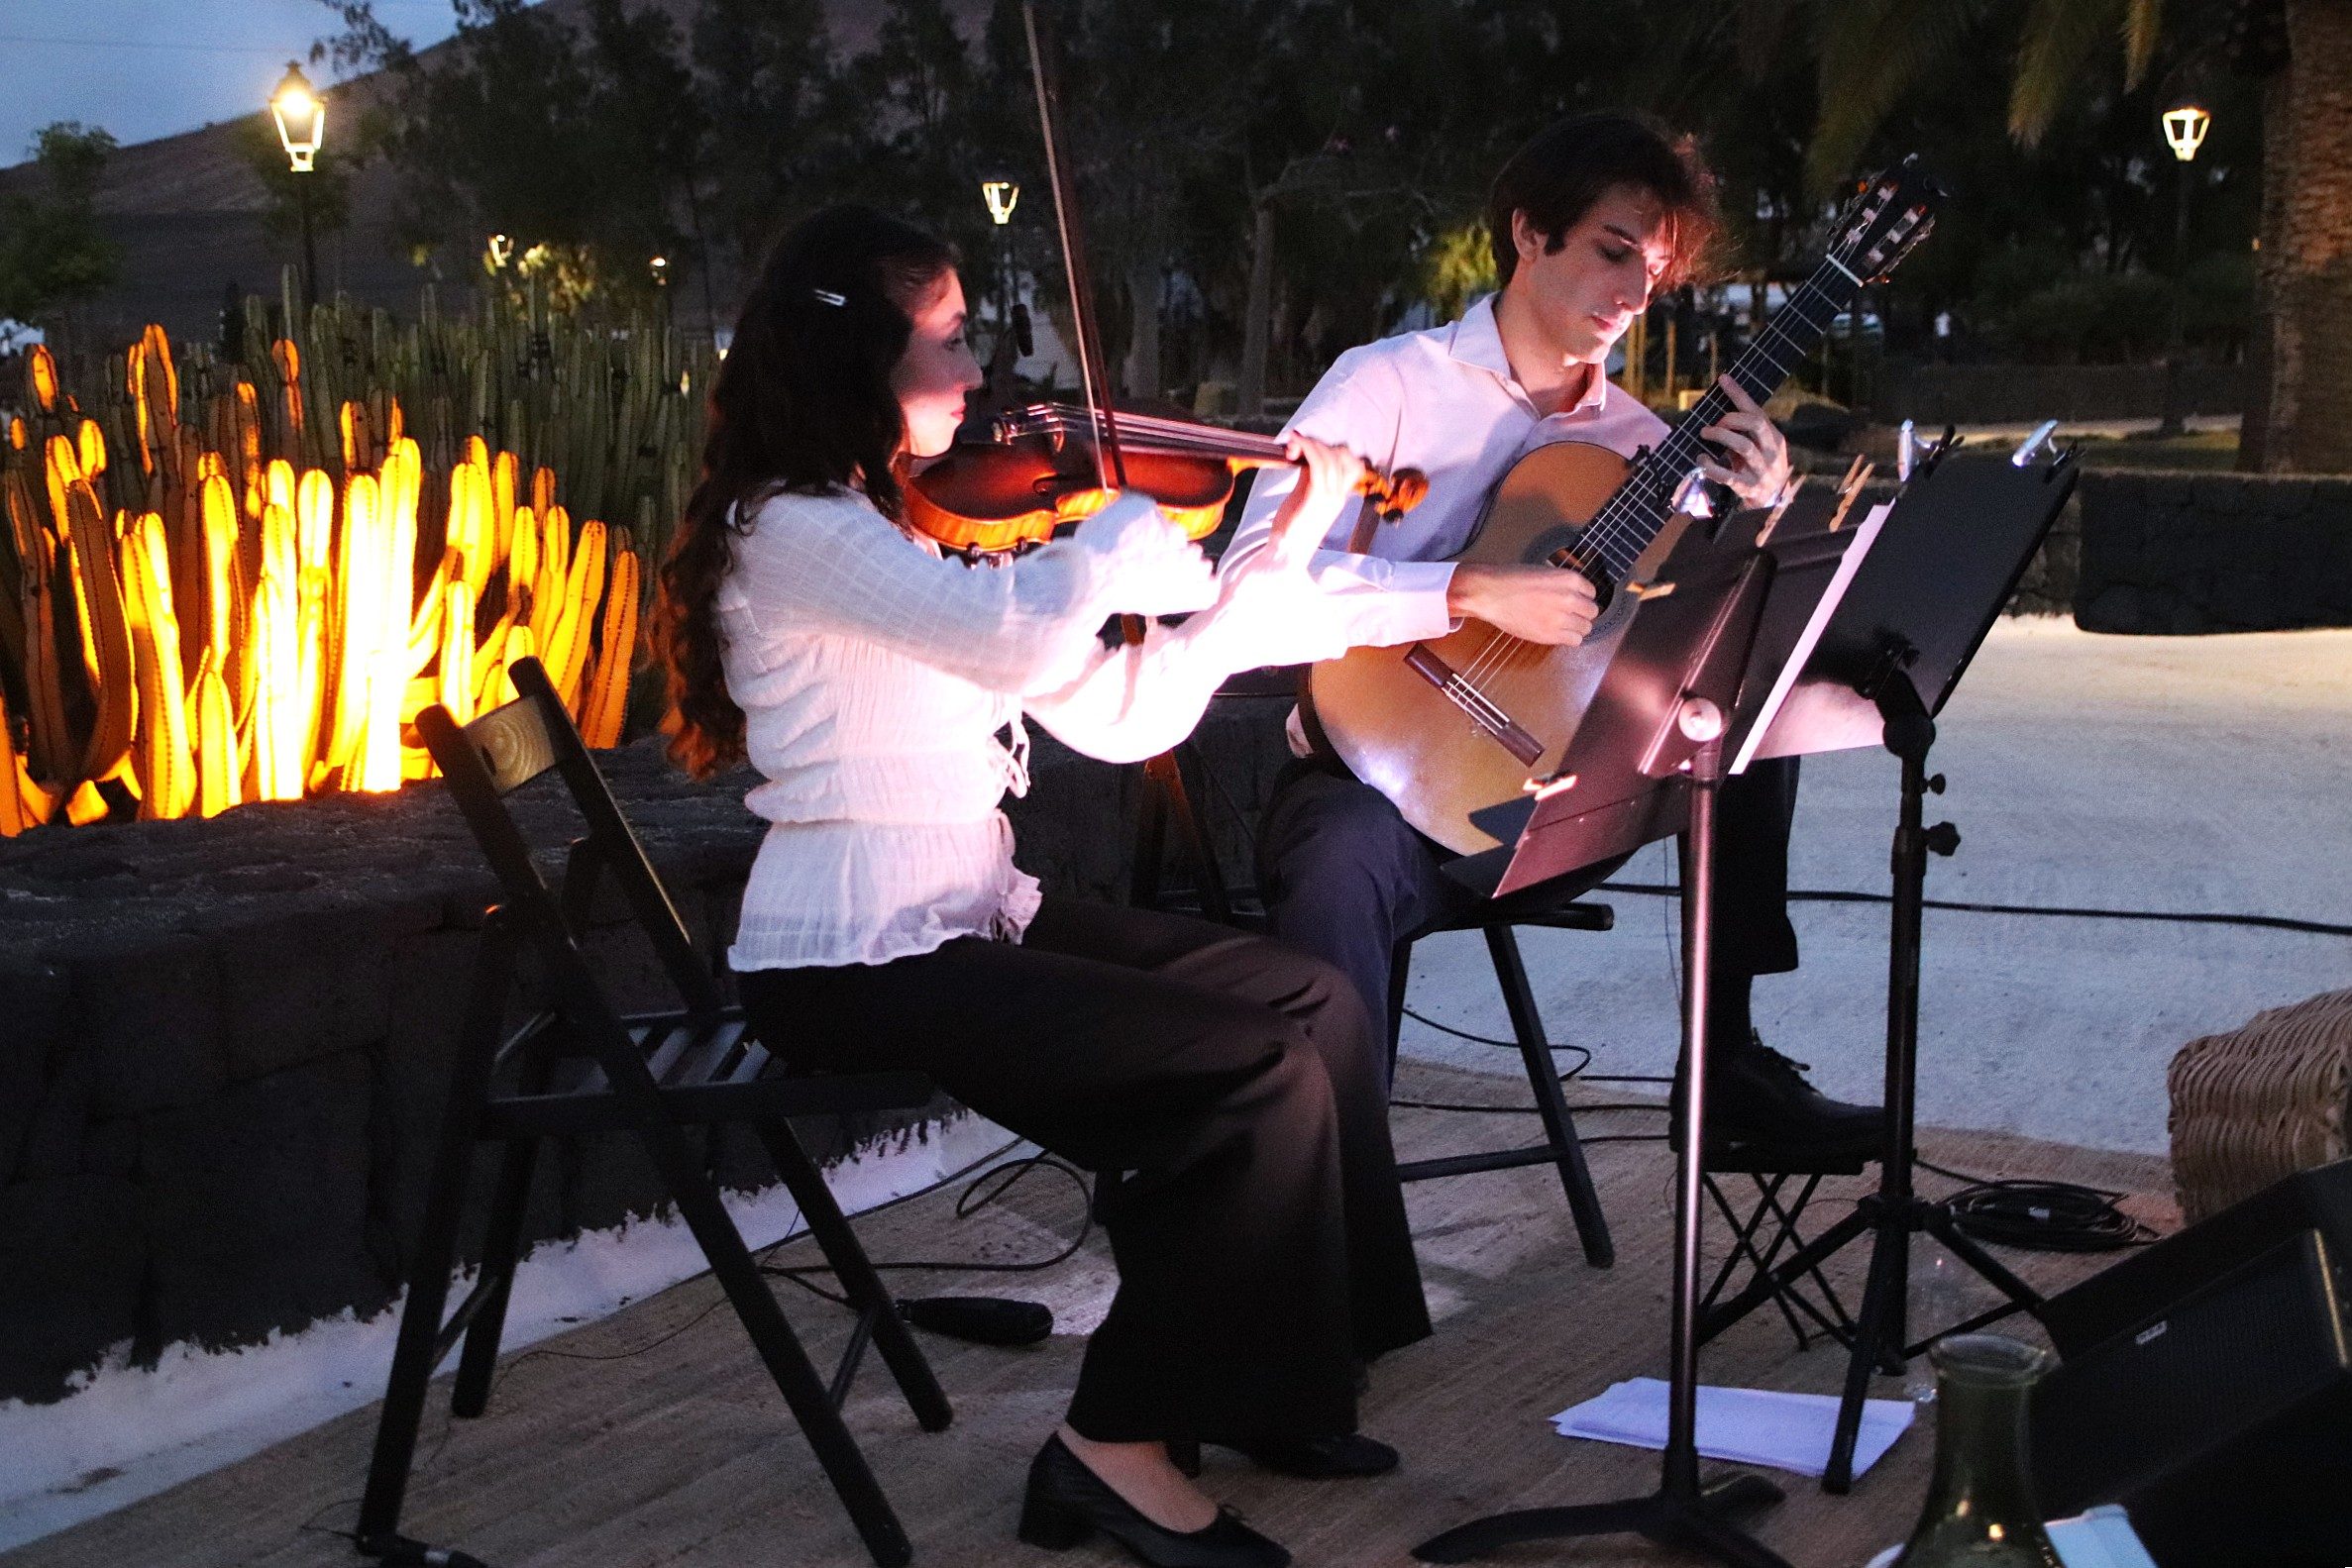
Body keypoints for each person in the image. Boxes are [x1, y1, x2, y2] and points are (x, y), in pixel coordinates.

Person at [654, 204, 1432, 1568]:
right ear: (856, 362)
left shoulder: (914, 531)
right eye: (946, 344)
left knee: (1305, 1002)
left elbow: (1129, 713)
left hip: (962, 909)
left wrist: (1277, 542)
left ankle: (1261, 1383)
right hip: (851, 956)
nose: (980, 378)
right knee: (1241, 1072)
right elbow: (1008, 643)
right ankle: (1111, 1444)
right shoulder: (799, 531)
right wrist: (1106, 545)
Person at [1229, 112, 1881, 1152]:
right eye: (1611, 252)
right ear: (1530, 234)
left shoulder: (1641, 446)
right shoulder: (1385, 384)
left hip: (1545, 807)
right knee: (1339, 858)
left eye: (1652, 272)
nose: (1630, 293)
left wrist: (1754, 516)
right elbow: (1251, 585)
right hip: (1374, 783)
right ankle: (1325, 1196)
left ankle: (1726, 1069)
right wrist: (1465, 592)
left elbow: (1688, 644)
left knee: (1744, 709)